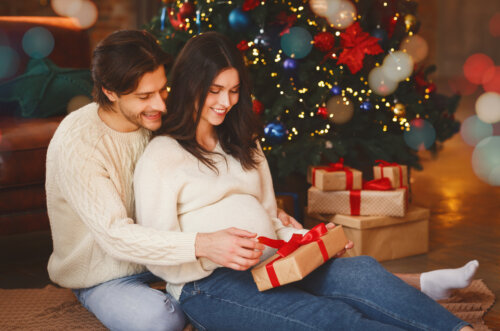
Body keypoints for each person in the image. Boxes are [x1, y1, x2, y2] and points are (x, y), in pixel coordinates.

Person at [134, 31, 474, 330]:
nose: (226, 102)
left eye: (234, 90)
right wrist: (208, 248)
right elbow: (154, 250)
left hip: (275, 263)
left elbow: (269, 221)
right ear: (190, 84)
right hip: (206, 284)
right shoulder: (163, 155)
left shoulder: (242, 142)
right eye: (215, 90)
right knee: (329, 318)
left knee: (361, 272)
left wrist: (313, 239)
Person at [45, 29, 299, 331]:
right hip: (108, 272)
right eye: (145, 96)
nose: (162, 105)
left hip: (174, 263)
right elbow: (115, 236)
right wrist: (202, 244)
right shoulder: (79, 143)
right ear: (110, 92)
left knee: (237, 288)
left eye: (163, 90)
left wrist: (268, 218)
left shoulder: (156, 117)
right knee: (160, 319)